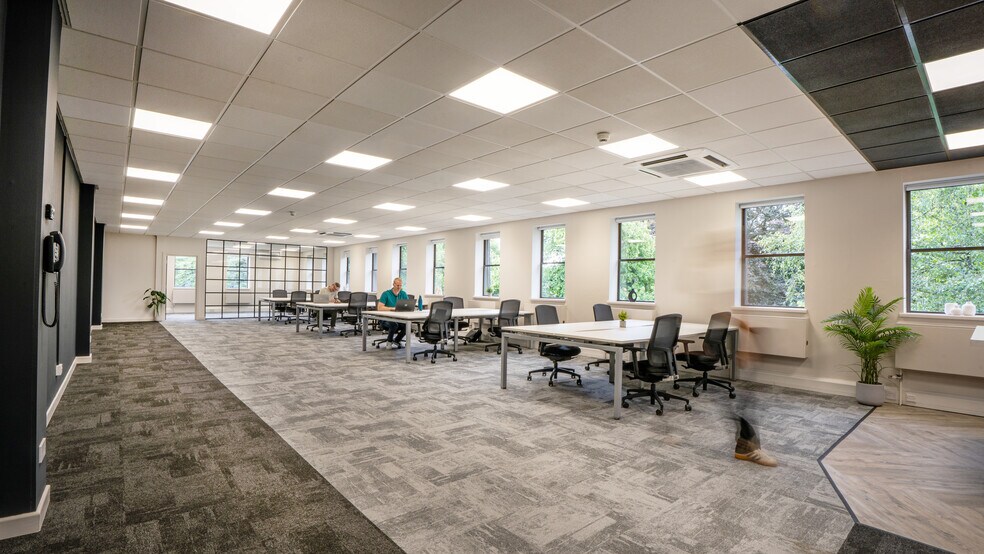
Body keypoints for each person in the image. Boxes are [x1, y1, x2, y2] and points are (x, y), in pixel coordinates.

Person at [377, 278, 409, 348]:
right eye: (397, 285)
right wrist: (392, 309)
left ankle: (397, 340)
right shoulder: (386, 294)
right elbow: (380, 308)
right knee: (394, 324)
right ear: (393, 284)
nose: (399, 287)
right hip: (385, 319)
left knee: (408, 325)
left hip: (398, 318)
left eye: (400, 285)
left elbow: (407, 305)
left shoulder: (403, 293)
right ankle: (389, 341)